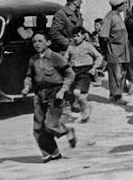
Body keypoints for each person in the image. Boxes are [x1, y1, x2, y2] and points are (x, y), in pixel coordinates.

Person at [21, 33, 77, 162]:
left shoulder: (56, 58)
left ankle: (67, 131)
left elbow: (70, 74)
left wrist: (63, 90)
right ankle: (52, 153)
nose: (37, 44)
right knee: (38, 128)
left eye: (40, 41)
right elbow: (29, 76)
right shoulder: (33, 59)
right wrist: (26, 86)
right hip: (39, 94)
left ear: (48, 42)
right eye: (34, 42)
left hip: (55, 94)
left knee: (50, 125)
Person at [99, 0, 130, 105]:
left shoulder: (118, 16)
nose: (125, 6)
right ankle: (116, 96)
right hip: (114, 52)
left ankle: (117, 94)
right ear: (119, 6)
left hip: (122, 51)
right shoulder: (110, 17)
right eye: (124, 4)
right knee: (116, 75)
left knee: (121, 74)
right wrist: (107, 49)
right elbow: (103, 35)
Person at [68, 27, 103, 123]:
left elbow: (99, 56)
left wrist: (94, 68)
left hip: (84, 71)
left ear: (83, 36)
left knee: (77, 92)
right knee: (75, 95)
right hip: (74, 72)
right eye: (74, 36)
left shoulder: (88, 46)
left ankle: (86, 108)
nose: (76, 38)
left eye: (78, 36)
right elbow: (66, 58)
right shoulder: (71, 46)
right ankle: (83, 109)